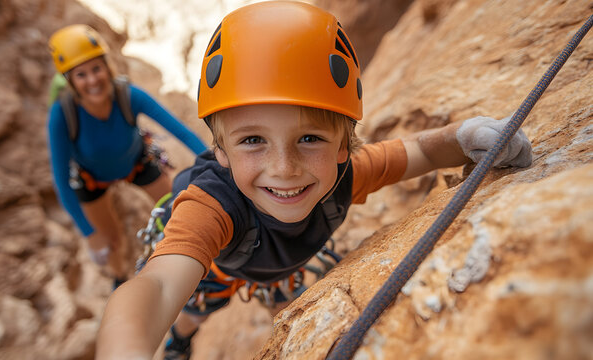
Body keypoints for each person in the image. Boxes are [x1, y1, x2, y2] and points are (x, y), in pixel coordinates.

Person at [95, 2, 532, 359]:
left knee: (284, 298)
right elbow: (158, 285)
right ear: (221, 153)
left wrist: (464, 138)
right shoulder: (210, 207)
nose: (284, 167)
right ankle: (180, 343)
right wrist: (127, 350)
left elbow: (417, 151)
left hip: (277, 266)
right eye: (252, 141)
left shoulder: (347, 175)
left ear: (344, 146)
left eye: (309, 138)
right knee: (195, 310)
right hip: (218, 266)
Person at [46, 24, 208, 287]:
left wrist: (213, 160)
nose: (92, 80)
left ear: (107, 67)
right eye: (81, 74)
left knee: (175, 211)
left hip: (136, 163)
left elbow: (182, 132)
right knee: (110, 243)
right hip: (91, 180)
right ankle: (119, 279)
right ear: (71, 81)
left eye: (96, 68)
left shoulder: (129, 96)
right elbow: (61, 181)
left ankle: (192, 266)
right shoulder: (62, 116)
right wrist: (90, 235)